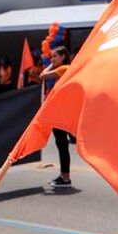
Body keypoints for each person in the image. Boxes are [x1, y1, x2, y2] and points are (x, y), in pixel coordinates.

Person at [39, 46, 75, 190]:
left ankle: (65, 178)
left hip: (61, 112)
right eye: (52, 56)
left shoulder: (63, 68)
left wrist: (50, 65)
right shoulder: (65, 68)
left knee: (62, 144)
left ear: (63, 57)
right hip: (61, 110)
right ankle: (63, 176)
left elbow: (42, 75)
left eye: (55, 56)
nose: (52, 59)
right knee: (61, 144)